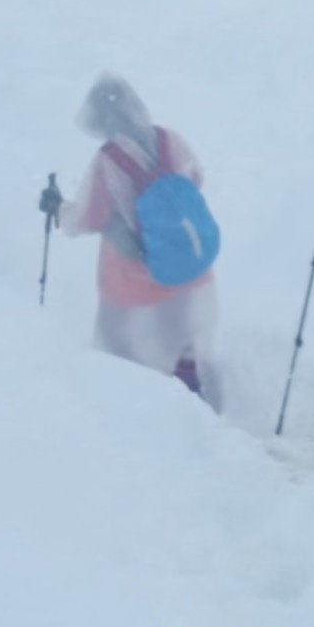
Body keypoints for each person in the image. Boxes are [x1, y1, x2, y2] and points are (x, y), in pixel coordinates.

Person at [62, 74, 222, 402]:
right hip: (189, 265)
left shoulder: (109, 160)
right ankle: (195, 398)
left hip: (137, 279)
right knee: (183, 343)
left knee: (120, 351)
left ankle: (137, 415)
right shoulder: (169, 140)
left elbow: (87, 218)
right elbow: (195, 180)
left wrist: (59, 210)